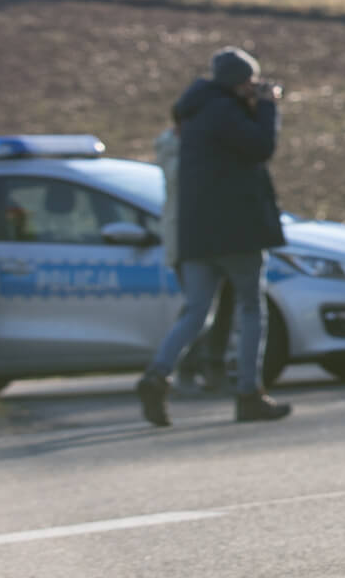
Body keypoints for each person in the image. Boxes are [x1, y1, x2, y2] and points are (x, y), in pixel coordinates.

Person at [136, 47, 292, 425]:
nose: (255, 87)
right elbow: (260, 147)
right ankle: (249, 393)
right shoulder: (225, 112)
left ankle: (157, 375)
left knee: (194, 313)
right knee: (252, 309)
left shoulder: (194, 115)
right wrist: (269, 106)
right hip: (237, 232)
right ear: (239, 82)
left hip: (195, 235)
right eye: (252, 81)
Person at [154, 120, 230, 396]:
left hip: (194, 241)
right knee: (199, 310)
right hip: (187, 244)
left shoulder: (179, 148)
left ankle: (196, 366)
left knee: (203, 309)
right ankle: (176, 368)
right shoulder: (175, 151)